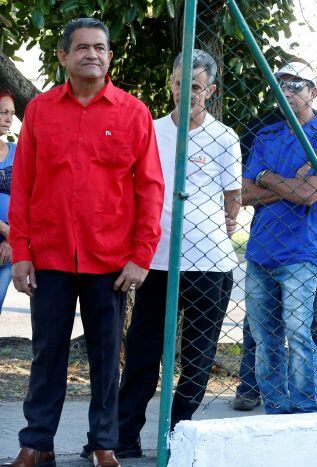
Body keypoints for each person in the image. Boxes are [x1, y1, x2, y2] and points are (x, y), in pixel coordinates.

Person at [4, 18, 164, 467]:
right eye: (81, 48)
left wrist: (140, 256)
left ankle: (103, 445)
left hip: (111, 261)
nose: (91, 54)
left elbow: (150, 189)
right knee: (46, 354)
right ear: (63, 57)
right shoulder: (39, 111)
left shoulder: (133, 113)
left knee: (105, 358)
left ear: (110, 56)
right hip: (50, 254)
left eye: (99, 47)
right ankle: (36, 444)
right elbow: (24, 185)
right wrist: (21, 252)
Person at [100, 49, 241, 459]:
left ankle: (177, 435)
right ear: (170, 83)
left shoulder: (223, 136)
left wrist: (220, 225)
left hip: (210, 262)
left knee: (198, 357)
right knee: (143, 352)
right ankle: (125, 439)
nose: (186, 93)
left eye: (195, 88)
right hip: (155, 259)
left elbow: (232, 199)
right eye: (180, 84)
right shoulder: (150, 128)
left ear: (209, 91)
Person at [241, 59, 317, 414]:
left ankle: (305, 409)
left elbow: (311, 195)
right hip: (260, 249)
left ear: (313, 92)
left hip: (301, 251)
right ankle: (275, 408)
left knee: (299, 336)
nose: (286, 91)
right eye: (281, 84)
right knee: (264, 338)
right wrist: (283, 179)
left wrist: (266, 178)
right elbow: (243, 194)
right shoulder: (266, 135)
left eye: (295, 85)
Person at [0, 91, 16, 313]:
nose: (9, 118)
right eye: (3, 112)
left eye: (11, 113)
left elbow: (29, 197)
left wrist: (12, 238)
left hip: (9, 243)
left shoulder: (17, 151)